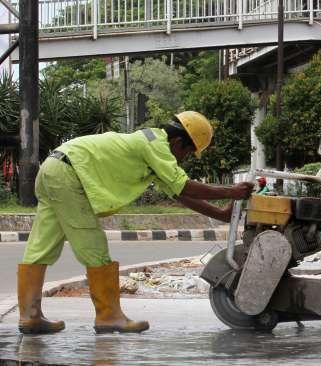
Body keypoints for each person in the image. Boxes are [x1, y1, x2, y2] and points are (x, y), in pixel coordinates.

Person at [17, 111, 254, 335]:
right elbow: (184, 186)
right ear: (178, 143)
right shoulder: (156, 145)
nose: (184, 159)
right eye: (188, 153)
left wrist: (221, 214)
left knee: (41, 246)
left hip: (53, 168)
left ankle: (30, 317)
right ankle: (108, 317)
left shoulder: (151, 144)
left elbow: (179, 194)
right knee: (94, 247)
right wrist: (231, 191)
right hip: (69, 176)